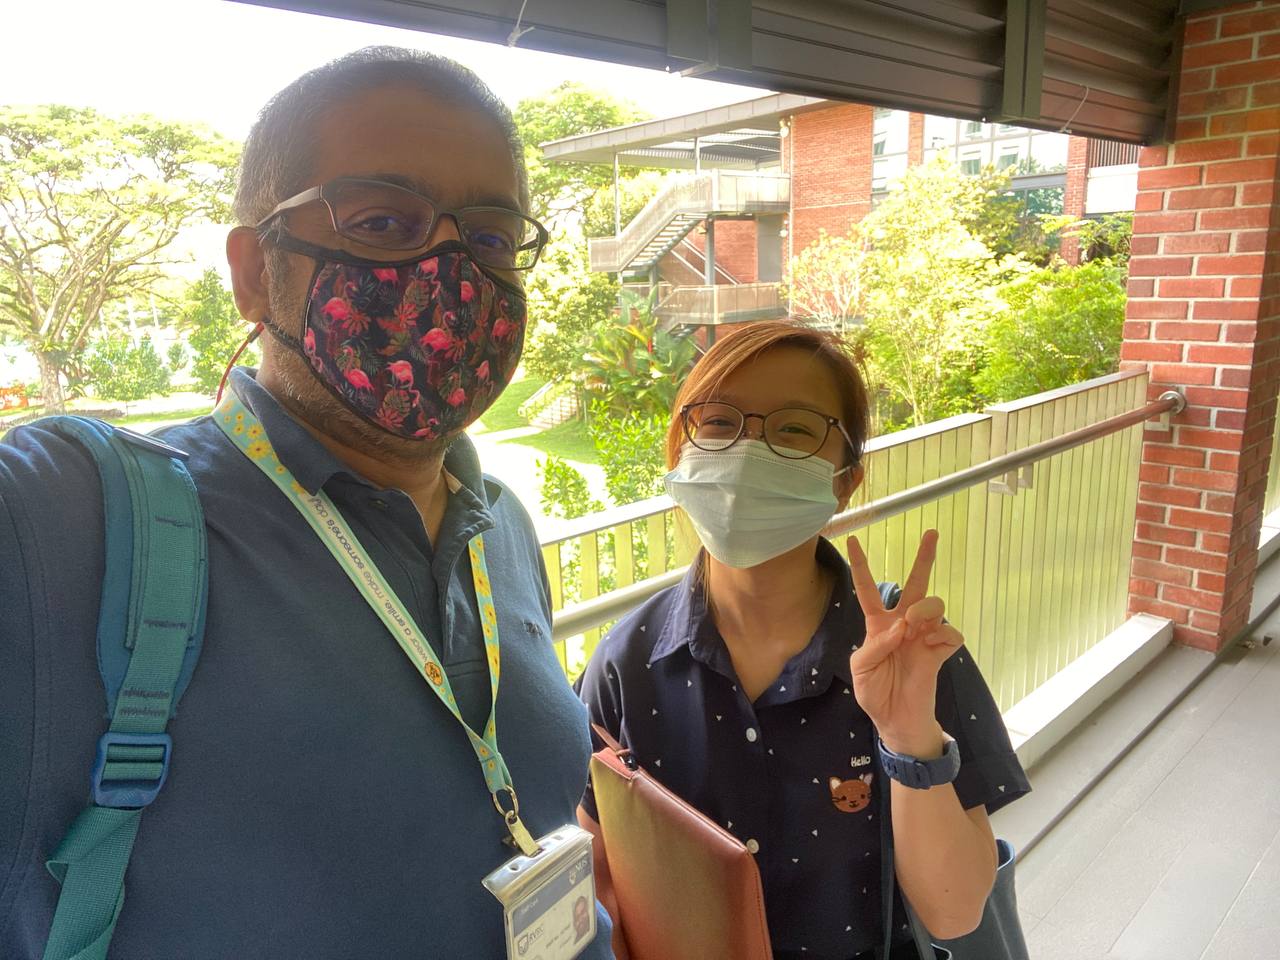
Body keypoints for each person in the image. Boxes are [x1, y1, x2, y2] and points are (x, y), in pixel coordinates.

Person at [0, 47, 613, 959]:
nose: (449, 270)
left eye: (488, 237)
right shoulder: (68, 520)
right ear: (253, 272)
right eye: (380, 221)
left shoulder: (503, 527)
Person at [576, 321, 1030, 960]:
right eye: (720, 422)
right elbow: (598, 873)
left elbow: (955, 913)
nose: (746, 452)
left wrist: (907, 737)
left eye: (793, 429)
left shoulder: (910, 652)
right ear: (681, 447)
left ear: (845, 479)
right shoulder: (628, 660)